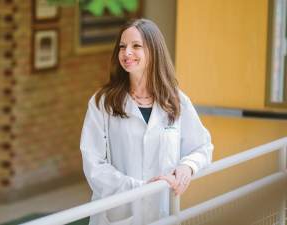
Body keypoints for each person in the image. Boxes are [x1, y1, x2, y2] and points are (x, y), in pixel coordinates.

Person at [79, 18, 214, 225]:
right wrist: (139, 187)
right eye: (122, 47)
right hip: (118, 214)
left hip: (162, 212)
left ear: (154, 51)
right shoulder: (102, 102)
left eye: (136, 46)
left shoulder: (175, 100)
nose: (127, 53)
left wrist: (187, 167)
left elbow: (203, 146)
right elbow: (94, 164)